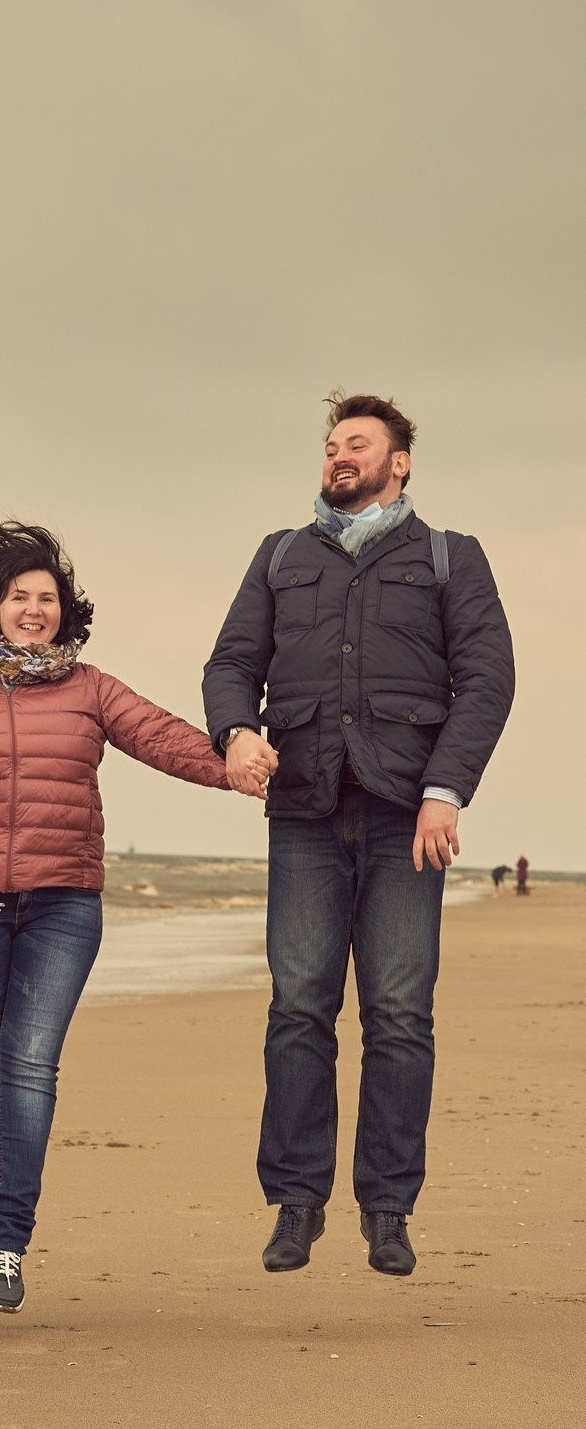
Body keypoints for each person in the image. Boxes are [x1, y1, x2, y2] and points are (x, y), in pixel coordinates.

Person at [0, 520, 259, 1315]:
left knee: (29, 1066)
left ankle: (7, 1240)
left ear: (65, 609)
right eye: (20, 596)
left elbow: (162, 737)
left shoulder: (91, 688)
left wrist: (237, 769)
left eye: (47, 597)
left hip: (63, 903)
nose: (34, 609)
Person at [203, 392, 514, 1279]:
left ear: (400, 461)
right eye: (332, 444)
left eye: (359, 443)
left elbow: (487, 680)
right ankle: (295, 1203)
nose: (340, 455)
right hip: (302, 807)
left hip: (405, 816)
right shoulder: (278, 556)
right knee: (299, 1005)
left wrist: (445, 790)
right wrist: (236, 732)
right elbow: (231, 663)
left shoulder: (453, 559)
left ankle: (388, 1208)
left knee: (400, 1014)